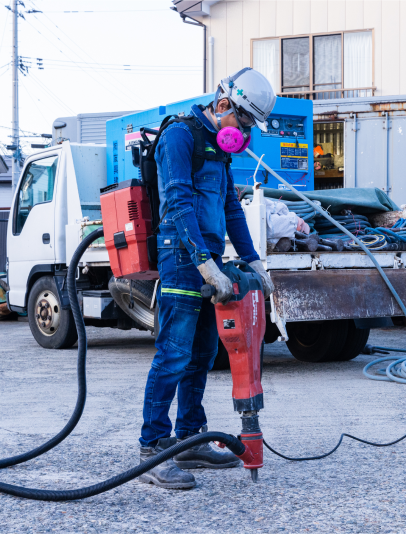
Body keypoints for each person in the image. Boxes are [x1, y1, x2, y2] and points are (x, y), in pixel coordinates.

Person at [138, 68, 276, 490]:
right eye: (246, 121)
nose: (247, 132)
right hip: (181, 257)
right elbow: (177, 203)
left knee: (202, 352)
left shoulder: (219, 149)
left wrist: (252, 261)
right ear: (222, 106)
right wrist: (203, 262)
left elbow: (231, 209)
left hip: (209, 257)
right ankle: (153, 448)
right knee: (174, 353)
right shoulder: (179, 137)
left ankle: (190, 437)